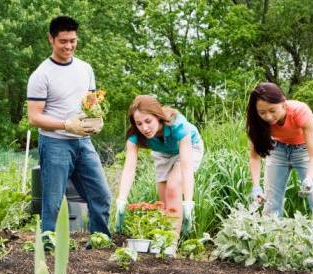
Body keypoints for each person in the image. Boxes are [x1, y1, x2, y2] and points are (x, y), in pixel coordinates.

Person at [27, 16, 112, 247]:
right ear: (51, 39)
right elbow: (34, 117)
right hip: (55, 143)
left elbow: (92, 102)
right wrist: (66, 125)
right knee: (53, 201)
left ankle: (99, 242)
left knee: (101, 195)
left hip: (83, 142)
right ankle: (48, 245)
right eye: (63, 41)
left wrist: (97, 120)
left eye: (72, 41)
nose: (68, 46)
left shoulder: (85, 69)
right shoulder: (41, 74)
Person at [116, 95, 204, 255]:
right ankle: (163, 239)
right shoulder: (135, 136)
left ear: (158, 116)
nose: (144, 128)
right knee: (164, 202)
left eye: (148, 121)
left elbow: (185, 166)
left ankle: (171, 244)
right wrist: (121, 200)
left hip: (190, 148)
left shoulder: (178, 126)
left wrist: (188, 202)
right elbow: (129, 168)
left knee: (173, 187)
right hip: (162, 153)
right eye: (139, 123)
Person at [247, 82, 313, 216]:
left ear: (283, 103)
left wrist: (309, 178)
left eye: (272, 111)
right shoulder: (256, 121)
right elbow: (255, 158)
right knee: (271, 205)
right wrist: (255, 187)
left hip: (304, 151)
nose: (268, 117)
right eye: (262, 112)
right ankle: (271, 235)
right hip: (277, 150)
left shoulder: (300, 111)